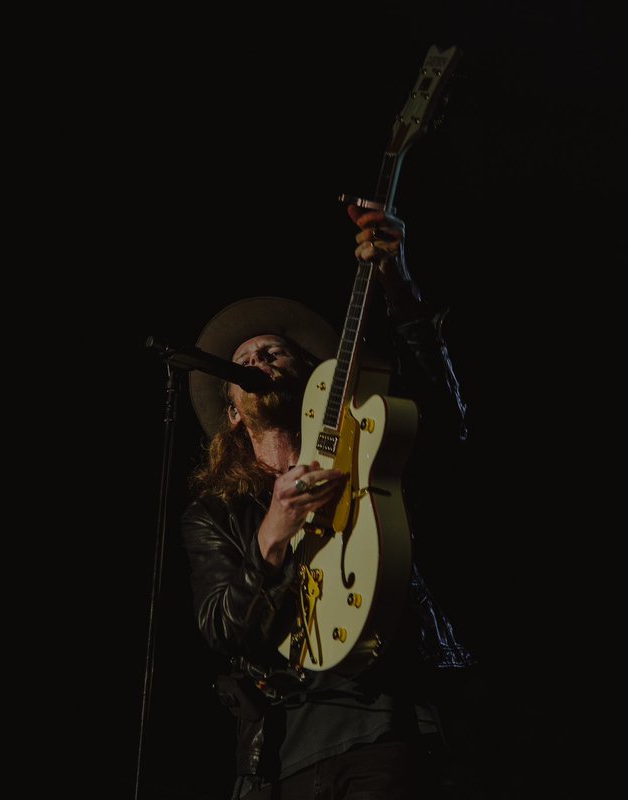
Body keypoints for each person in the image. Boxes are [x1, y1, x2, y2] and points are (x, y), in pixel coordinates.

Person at [181, 205, 475, 799]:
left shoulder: (369, 454)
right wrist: (274, 531)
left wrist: (400, 289)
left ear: (313, 377)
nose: (260, 361)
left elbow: (442, 424)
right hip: (279, 753)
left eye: (274, 352)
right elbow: (224, 629)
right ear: (234, 412)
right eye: (244, 362)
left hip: (384, 722)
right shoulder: (215, 515)